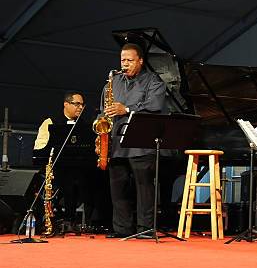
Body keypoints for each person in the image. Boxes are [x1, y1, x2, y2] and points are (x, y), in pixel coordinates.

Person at [101, 43, 168, 239]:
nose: (125, 64)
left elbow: (155, 106)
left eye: (130, 60)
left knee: (144, 188)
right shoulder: (112, 84)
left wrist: (127, 109)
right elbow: (103, 110)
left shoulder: (154, 81)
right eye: (123, 60)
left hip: (141, 142)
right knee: (117, 187)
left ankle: (144, 229)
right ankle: (122, 229)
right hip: (116, 142)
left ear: (140, 61)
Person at [34, 91, 94, 233]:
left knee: (92, 179)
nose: (80, 107)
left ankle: (85, 221)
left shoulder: (86, 126)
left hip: (80, 167)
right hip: (56, 168)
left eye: (82, 105)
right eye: (77, 104)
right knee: (66, 180)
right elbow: (40, 146)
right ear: (66, 104)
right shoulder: (50, 122)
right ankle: (53, 219)